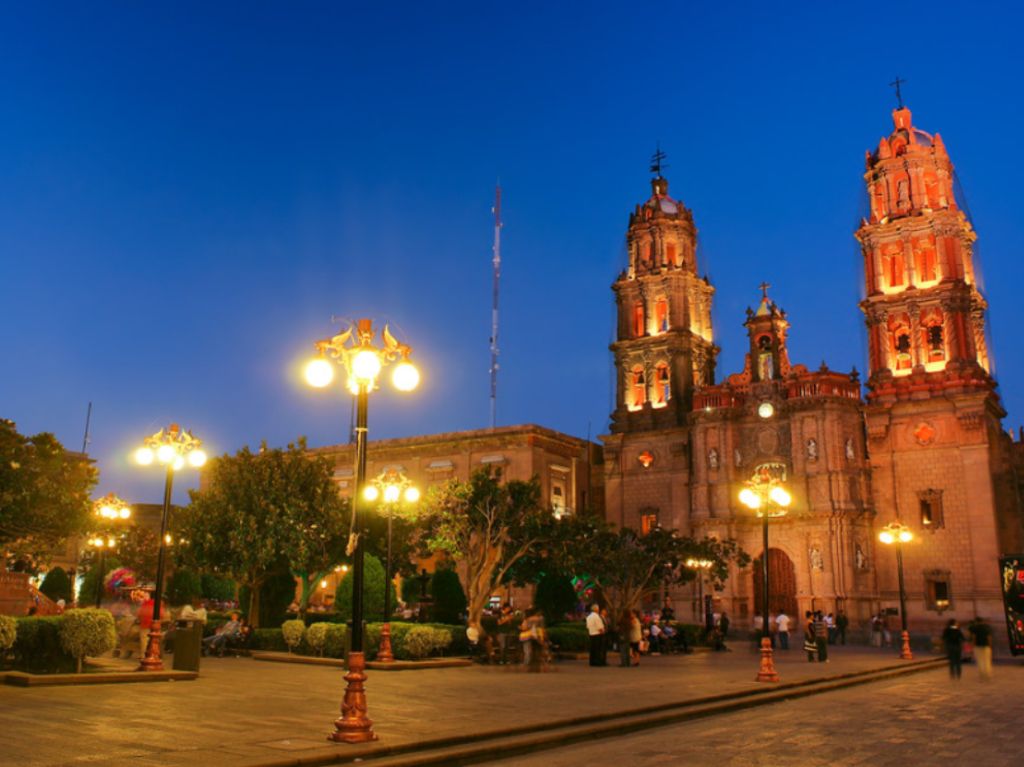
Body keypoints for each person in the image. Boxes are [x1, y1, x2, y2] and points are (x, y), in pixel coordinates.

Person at [968, 616, 993, 681]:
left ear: (976, 622)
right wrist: (990, 646)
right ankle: (988, 674)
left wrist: (973, 646)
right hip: (986, 646)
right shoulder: (987, 627)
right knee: (987, 661)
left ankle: (982, 675)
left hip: (978, 646)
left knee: (980, 661)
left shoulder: (975, 628)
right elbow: (989, 637)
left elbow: (974, 638)